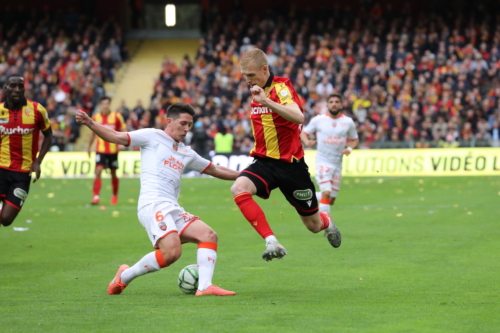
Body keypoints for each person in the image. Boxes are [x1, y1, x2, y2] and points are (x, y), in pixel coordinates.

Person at [75, 103, 238, 296]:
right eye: (183, 123)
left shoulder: (186, 152)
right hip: (152, 205)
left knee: (208, 235)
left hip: (172, 207)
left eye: (190, 125)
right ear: (169, 121)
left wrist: (246, 175)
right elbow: (117, 137)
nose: (186, 129)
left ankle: (204, 287)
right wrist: (90, 123)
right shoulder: (152, 136)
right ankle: (124, 276)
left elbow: (215, 169)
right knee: (172, 253)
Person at [230, 49, 341, 262]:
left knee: (313, 225)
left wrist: (267, 102)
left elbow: (299, 117)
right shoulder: (255, 89)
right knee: (238, 187)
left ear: (265, 69)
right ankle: (271, 241)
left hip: (291, 166)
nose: (247, 80)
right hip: (264, 162)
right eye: (244, 75)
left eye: (251, 75)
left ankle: (327, 222)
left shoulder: (281, 88)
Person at [0, 74, 53, 227]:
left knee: (6, 220)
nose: (17, 90)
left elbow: (48, 136)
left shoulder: (37, 110)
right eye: (13, 86)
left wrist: (38, 161)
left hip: (22, 174)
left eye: (20, 86)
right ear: (6, 88)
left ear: (24, 89)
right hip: (1, 168)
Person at [300, 93, 359, 215]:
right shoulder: (318, 120)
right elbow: (303, 133)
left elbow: (355, 139)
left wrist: (349, 149)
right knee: (326, 193)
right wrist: (306, 142)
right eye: (331, 102)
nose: (334, 104)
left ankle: (305, 196)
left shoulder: (348, 122)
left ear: (341, 105)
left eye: (337, 102)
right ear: (327, 105)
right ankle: (326, 225)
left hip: (337, 164)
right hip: (323, 162)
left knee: (330, 199)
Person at [87, 97, 126, 205]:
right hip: (100, 150)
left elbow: (123, 130)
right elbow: (92, 134)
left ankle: (114, 196)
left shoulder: (117, 116)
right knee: (98, 171)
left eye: (107, 103)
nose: (105, 106)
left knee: (113, 173)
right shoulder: (96, 117)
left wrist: (122, 143)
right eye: (103, 104)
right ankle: (96, 197)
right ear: (100, 105)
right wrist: (89, 147)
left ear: (110, 104)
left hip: (113, 150)